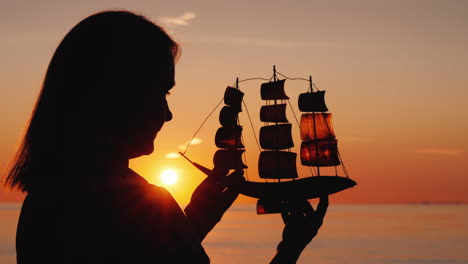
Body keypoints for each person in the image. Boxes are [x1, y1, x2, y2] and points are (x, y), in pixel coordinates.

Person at [4, 10, 328, 264]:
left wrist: (195, 218)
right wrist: (291, 247)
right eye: (161, 92)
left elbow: (141, 255)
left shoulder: (45, 202)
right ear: (117, 94)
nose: (168, 113)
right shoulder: (132, 204)